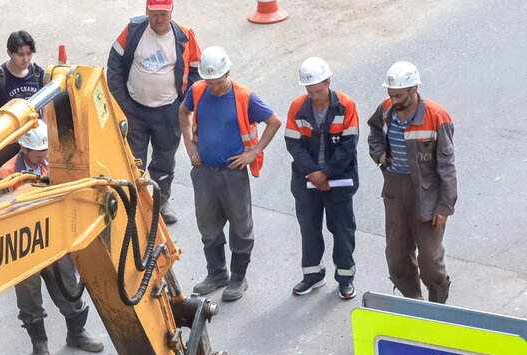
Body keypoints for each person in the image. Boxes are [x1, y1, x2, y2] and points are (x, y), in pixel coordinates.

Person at [178, 46, 282, 302]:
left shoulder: (245, 97)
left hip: (232, 174)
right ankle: (217, 274)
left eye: (218, 81)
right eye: (209, 82)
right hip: (204, 173)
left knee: (240, 227)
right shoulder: (198, 90)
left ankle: (237, 278)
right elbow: (183, 112)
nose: (214, 87)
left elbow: (274, 122)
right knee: (208, 226)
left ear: (228, 73)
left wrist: (253, 152)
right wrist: (189, 143)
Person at [0, 123, 103, 355]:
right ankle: (39, 344)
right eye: (38, 151)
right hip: (22, 245)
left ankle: (77, 333)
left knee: (68, 284)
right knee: (29, 294)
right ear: (23, 148)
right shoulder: (7, 173)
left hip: (53, 237)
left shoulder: (54, 163)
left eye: (46, 149)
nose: (44, 154)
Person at [106, 0, 202, 225]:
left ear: (171, 12)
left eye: (164, 14)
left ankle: (161, 203)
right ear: (146, 12)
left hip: (169, 112)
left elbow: (196, 72)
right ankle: (135, 205)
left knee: (164, 160)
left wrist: (184, 104)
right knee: (132, 160)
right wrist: (123, 102)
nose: (159, 19)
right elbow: (114, 67)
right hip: (134, 111)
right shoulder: (132, 31)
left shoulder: (185, 35)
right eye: (155, 14)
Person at [366, 61, 456, 304]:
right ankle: (413, 305)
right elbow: (374, 132)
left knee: (430, 262)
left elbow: (447, 165)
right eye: (390, 95)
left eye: (398, 95)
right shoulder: (386, 109)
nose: (393, 100)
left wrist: (445, 206)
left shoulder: (436, 117)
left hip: (426, 196)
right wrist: (380, 154)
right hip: (395, 191)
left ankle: (437, 308)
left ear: (414, 89)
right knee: (396, 258)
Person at [284, 57, 360, 300]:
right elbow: (293, 144)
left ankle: (345, 278)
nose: (315, 97)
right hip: (306, 181)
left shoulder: (346, 106)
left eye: (318, 90)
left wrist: (325, 174)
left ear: (328, 82)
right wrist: (314, 175)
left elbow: (348, 147)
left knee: (342, 229)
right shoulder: (298, 107)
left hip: (338, 180)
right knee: (309, 228)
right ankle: (313, 275)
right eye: (309, 91)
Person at [0, 30, 48, 176]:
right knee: (6, 185)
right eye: (20, 54)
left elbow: (47, 106)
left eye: (29, 54)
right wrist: (17, 138)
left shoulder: (38, 74)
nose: (26, 59)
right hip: (8, 145)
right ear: (9, 53)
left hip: (35, 144)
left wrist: (42, 131)